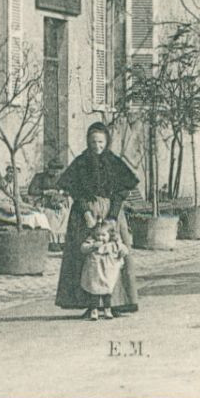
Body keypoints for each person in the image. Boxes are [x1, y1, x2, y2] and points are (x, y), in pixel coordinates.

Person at [55, 122, 141, 316]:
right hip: (84, 214)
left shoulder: (114, 162)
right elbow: (75, 190)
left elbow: (122, 191)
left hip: (111, 213)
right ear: (88, 141)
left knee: (114, 254)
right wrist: (86, 212)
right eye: (93, 141)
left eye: (101, 141)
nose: (97, 146)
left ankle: (116, 303)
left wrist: (112, 217)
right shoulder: (81, 162)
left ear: (107, 141)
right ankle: (89, 304)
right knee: (85, 257)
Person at [77, 211, 130, 321]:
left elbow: (124, 249)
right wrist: (92, 246)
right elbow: (83, 248)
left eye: (103, 235)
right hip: (95, 271)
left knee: (107, 291)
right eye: (98, 235)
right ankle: (94, 309)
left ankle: (107, 309)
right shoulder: (92, 242)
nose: (100, 238)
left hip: (108, 272)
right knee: (95, 290)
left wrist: (122, 252)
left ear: (110, 235)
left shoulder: (113, 244)